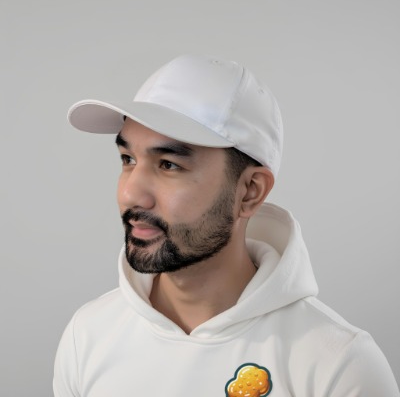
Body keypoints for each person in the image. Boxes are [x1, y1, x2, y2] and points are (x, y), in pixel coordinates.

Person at [54, 54, 399, 397]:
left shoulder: (338, 366)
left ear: (250, 191)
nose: (130, 194)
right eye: (128, 159)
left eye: (169, 165)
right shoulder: (88, 336)